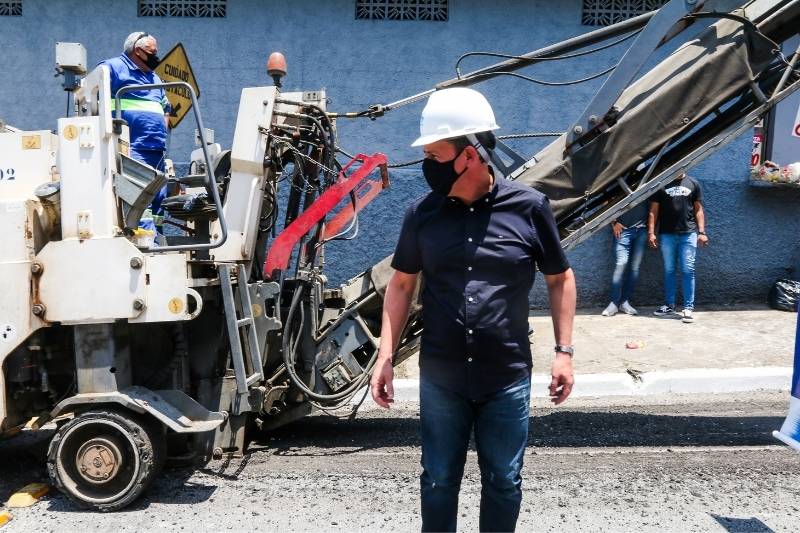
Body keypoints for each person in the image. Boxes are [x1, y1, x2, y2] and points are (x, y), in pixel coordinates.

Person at [370, 87, 576, 532]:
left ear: (471, 153)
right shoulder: (421, 215)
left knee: (504, 480)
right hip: (442, 377)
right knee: (440, 480)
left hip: (506, 376)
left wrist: (564, 352)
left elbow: (561, 278)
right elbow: (402, 285)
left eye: (434, 153)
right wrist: (385, 357)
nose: (427, 163)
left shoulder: (528, 209)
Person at [99, 32, 171, 228]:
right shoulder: (113, 67)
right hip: (131, 146)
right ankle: (144, 242)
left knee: (158, 198)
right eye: (152, 52)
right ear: (138, 51)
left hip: (156, 147)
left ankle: (157, 236)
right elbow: (92, 93)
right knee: (140, 194)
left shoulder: (154, 76)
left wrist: (160, 127)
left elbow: (166, 108)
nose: (157, 56)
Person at [647, 173, 709, 323]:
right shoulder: (661, 184)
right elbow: (653, 211)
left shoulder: (693, 183)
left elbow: (698, 209)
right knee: (669, 270)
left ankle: (688, 308)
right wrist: (651, 232)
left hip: (688, 234)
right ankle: (669, 305)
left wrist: (701, 232)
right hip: (667, 235)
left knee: (688, 270)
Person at [601, 202, 649, 316]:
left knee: (635, 268)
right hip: (623, 230)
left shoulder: (645, 183)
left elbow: (653, 205)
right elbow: (606, 202)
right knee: (621, 264)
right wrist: (614, 222)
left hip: (641, 231)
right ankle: (614, 303)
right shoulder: (621, 184)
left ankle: (624, 302)